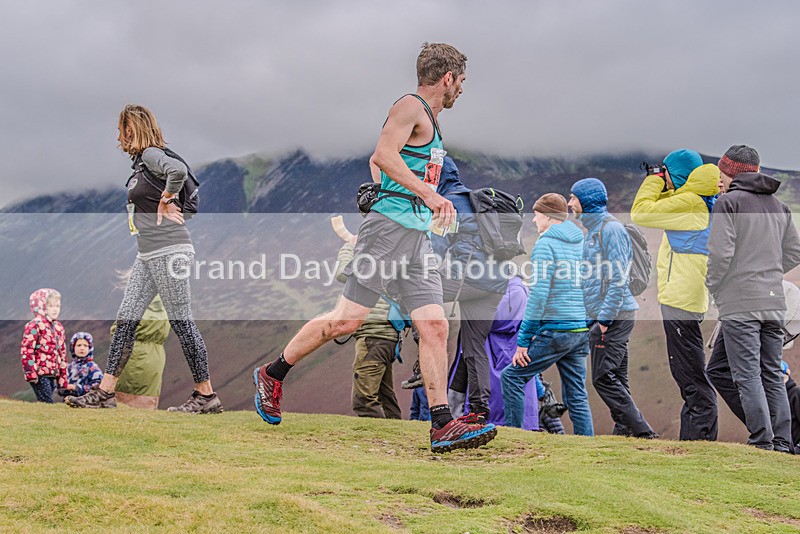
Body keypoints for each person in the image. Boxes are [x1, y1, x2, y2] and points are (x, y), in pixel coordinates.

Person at [253, 43, 496, 452]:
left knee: (435, 326)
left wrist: (408, 195)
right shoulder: (410, 106)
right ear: (448, 78)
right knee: (346, 322)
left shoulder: (430, 121)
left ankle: (442, 425)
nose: (461, 89)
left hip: (416, 239)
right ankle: (272, 374)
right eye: (461, 81)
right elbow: (383, 154)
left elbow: (378, 161)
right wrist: (426, 195)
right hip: (386, 232)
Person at [66, 104, 222, 414]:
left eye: (122, 130)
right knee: (126, 321)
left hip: (170, 251)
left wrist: (167, 199)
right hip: (148, 254)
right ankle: (105, 393)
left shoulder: (152, 155)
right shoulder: (141, 165)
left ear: (134, 129)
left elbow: (178, 172)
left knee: (181, 321)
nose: (119, 137)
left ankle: (206, 396)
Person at [705, 145, 800, 452]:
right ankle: (782, 443)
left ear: (730, 172)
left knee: (747, 375)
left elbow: (720, 254)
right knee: (770, 373)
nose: (719, 180)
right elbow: (795, 251)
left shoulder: (728, 203)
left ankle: (762, 442)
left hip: (740, 301)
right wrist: (767, 272)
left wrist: (715, 286)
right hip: (773, 301)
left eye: (721, 173)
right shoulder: (779, 206)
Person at [631, 149, 720, 440]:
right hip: (685, 296)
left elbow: (641, 212)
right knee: (687, 372)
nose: (663, 177)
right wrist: (665, 181)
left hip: (681, 299)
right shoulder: (696, 199)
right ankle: (694, 438)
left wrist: (654, 179)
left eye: (667, 172)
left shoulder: (690, 203)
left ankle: (700, 439)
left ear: (677, 173)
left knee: (690, 375)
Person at [569, 178, 658, 438]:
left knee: (602, 377)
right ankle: (624, 431)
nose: (570, 203)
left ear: (587, 200)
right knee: (617, 376)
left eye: (573, 197)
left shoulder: (611, 229)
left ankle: (644, 432)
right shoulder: (594, 230)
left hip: (614, 316)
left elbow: (619, 278)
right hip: (606, 315)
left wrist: (605, 320)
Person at [501, 194, 594, 436]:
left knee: (512, 377)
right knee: (577, 393)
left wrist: (523, 341)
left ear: (549, 217)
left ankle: (515, 437)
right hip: (579, 329)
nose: (534, 220)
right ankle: (588, 447)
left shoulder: (545, 244)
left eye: (537, 215)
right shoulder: (581, 241)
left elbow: (539, 295)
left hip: (556, 329)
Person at [433, 156, 509, 421]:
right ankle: (478, 410)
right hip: (495, 284)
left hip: (469, 280)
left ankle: (422, 361)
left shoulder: (446, 203)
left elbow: (435, 248)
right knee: (474, 347)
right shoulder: (480, 201)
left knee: (418, 295)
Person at [706, 280, 800, 452]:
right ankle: (775, 437)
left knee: (755, 374)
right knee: (719, 370)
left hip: (752, 304)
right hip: (763, 301)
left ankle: (773, 439)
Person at [449, 276, 540, 430]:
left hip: (503, 355)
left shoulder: (516, 289)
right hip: (492, 350)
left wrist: (473, 308)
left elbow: (502, 321)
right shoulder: (503, 286)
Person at [335, 241, 403, 419]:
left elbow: (343, 273)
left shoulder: (371, 261)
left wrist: (349, 247)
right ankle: (397, 431)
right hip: (386, 336)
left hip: (374, 336)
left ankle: (379, 435)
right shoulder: (394, 255)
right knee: (385, 395)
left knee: (364, 400)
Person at [113, 296, 171, 409]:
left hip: (134, 357)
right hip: (156, 357)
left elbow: (118, 330)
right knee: (148, 401)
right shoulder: (165, 307)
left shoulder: (139, 303)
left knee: (125, 403)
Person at [20, 288, 67, 403]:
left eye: (57, 306)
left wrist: (62, 379)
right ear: (40, 306)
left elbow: (62, 354)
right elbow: (27, 350)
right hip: (39, 373)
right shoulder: (34, 325)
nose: (55, 309)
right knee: (47, 402)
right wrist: (31, 373)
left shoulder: (58, 328)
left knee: (46, 402)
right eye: (50, 306)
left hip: (53, 373)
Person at [60, 332, 103, 399]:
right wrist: (62, 388)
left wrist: (77, 388)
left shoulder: (92, 367)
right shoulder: (69, 367)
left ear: (90, 348)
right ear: (73, 347)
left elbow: (98, 386)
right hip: (68, 401)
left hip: (87, 401)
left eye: (85, 345)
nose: (82, 348)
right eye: (79, 345)